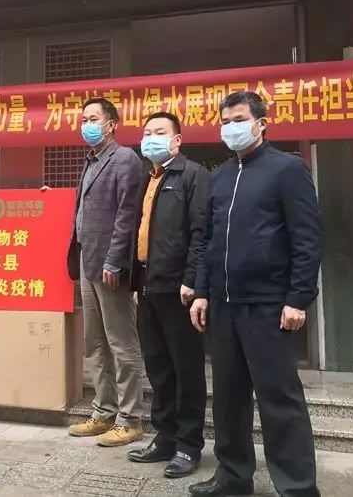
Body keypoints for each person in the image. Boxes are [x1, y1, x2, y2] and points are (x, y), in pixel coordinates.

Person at [189, 91, 322, 497]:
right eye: (226, 121)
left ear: (261, 123)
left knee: (279, 399)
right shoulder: (220, 176)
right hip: (223, 305)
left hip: (268, 305)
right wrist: (202, 291)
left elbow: (307, 238)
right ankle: (233, 476)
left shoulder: (288, 170)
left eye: (240, 119)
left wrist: (298, 298)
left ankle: (297, 486)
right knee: (228, 399)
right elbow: (208, 241)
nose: (231, 127)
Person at [127, 112, 209, 477]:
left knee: (185, 369)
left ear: (177, 140)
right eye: (147, 132)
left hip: (179, 289)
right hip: (148, 285)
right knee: (158, 366)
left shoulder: (192, 175)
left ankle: (189, 445)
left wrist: (192, 280)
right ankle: (165, 438)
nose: (151, 138)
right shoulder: (149, 178)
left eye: (160, 132)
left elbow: (200, 232)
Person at [66, 97, 145, 447]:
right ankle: (103, 411)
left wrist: (116, 260)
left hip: (110, 265)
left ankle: (130, 419)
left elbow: (127, 214)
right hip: (88, 261)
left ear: (111, 124)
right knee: (95, 343)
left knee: (120, 342)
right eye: (84, 119)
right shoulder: (90, 160)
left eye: (93, 118)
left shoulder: (124, 158)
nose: (87, 124)